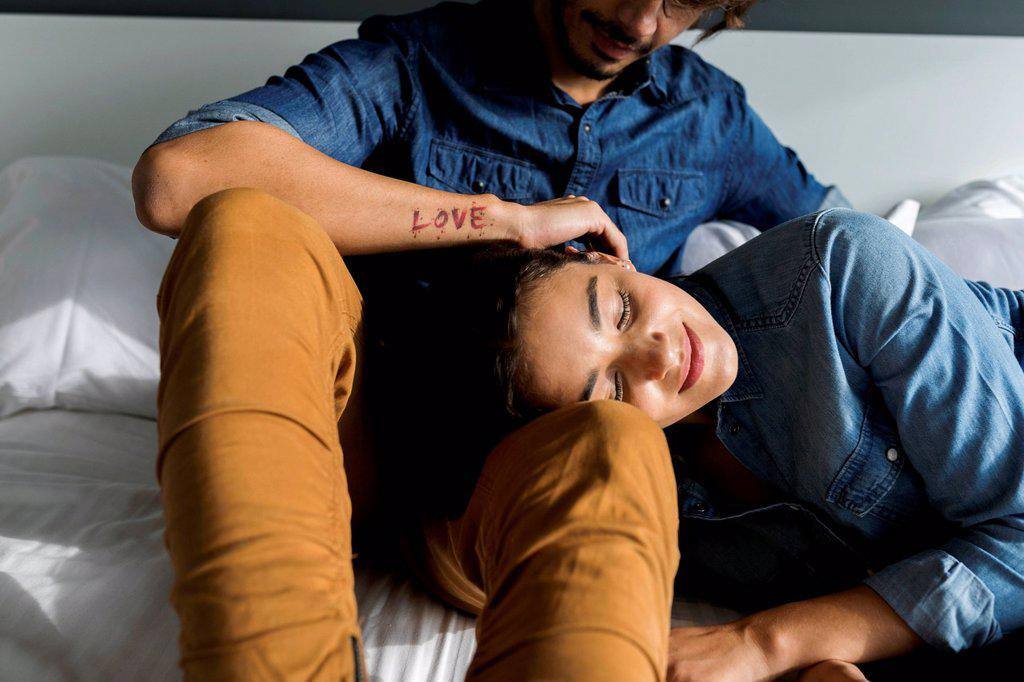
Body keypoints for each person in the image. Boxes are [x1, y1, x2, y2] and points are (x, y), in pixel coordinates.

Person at [136, 2, 850, 679]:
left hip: (523, 488)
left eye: (682, 3)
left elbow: (845, 251)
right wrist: (504, 220)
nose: (638, 21)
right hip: (349, 437)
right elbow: (177, 179)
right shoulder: (418, 64)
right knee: (242, 226)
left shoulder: (709, 117)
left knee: (614, 438)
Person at [419, 207, 1024, 679]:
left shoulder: (843, 268)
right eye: (609, 390)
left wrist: (767, 642)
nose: (662, 353)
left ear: (604, 255)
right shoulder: (630, 481)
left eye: (623, 309)